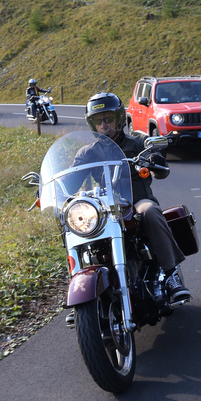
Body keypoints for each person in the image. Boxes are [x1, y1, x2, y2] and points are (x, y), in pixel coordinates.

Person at [80, 92, 191, 304]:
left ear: (119, 119)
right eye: (98, 121)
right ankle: (85, 295)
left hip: (136, 203)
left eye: (108, 119)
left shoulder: (138, 142)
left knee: (149, 211)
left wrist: (154, 160)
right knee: (76, 224)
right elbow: (72, 177)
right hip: (104, 210)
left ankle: (171, 276)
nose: (104, 125)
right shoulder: (87, 153)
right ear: (92, 124)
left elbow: (161, 168)